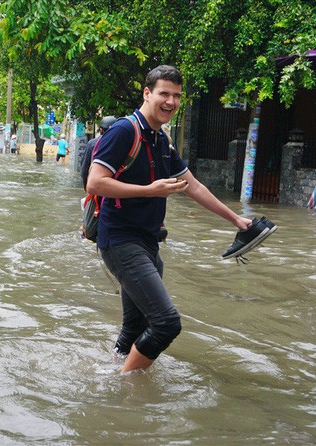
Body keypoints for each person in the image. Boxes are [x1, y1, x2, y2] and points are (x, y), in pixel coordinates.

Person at [86, 65, 276, 374]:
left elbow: (194, 186)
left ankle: (110, 374)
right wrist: (150, 191)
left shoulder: (162, 141)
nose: (171, 102)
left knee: (136, 326)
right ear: (147, 94)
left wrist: (236, 220)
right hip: (120, 241)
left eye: (176, 96)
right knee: (166, 323)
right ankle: (124, 389)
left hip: (149, 244)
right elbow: (95, 183)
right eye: (164, 93)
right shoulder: (125, 131)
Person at [80, 116, 117, 190]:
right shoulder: (121, 143)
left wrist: (86, 188)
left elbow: (84, 169)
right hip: (116, 188)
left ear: (101, 130)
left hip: (97, 188)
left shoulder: (93, 143)